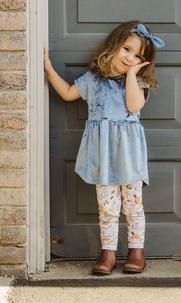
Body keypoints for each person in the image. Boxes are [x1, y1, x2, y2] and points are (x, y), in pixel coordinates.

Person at [44, 20, 165, 275]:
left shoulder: (137, 82)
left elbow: (133, 107)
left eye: (138, 56)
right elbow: (67, 93)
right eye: (126, 49)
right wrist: (48, 69)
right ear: (114, 45)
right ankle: (108, 252)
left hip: (128, 156)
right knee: (107, 208)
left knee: (132, 205)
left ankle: (136, 250)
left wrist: (132, 74)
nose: (130, 58)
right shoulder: (93, 79)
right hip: (102, 155)